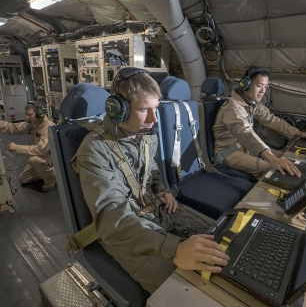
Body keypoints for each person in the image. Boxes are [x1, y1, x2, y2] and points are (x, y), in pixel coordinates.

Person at [71, 68, 230, 294]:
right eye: (145, 110)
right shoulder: (94, 151)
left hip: (157, 209)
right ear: (118, 110)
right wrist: (174, 249)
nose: (154, 119)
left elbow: (153, 170)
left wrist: (162, 190)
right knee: (195, 292)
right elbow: (112, 214)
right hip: (125, 230)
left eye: (156, 109)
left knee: (221, 242)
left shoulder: (144, 134)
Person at [213, 67, 306, 179]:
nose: (263, 91)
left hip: (248, 149)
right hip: (229, 154)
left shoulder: (251, 103)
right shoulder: (232, 108)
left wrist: (298, 133)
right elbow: (245, 133)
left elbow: (271, 119)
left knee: (295, 161)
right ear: (246, 84)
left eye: (265, 87)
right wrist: (272, 158)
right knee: (277, 168)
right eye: (259, 85)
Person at [0, 101, 56, 191]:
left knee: (34, 159)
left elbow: (41, 150)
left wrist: (17, 147)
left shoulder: (48, 128)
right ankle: (44, 171)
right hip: (42, 156)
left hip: (51, 158)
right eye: (26, 114)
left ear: (39, 114)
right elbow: (13, 128)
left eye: (30, 114)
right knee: (23, 179)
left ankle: (51, 179)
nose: (27, 117)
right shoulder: (33, 125)